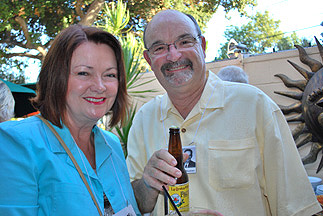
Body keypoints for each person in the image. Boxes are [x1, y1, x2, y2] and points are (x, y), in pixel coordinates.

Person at [125, 9, 322, 216]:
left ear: (202, 46)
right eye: (159, 47)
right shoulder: (144, 119)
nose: (173, 55)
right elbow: (136, 204)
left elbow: (296, 207)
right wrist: (148, 184)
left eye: (184, 42)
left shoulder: (255, 106)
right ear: (148, 59)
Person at [0, 24, 140, 216]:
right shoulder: (16, 142)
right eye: (84, 73)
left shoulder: (112, 145)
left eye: (110, 75)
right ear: (56, 77)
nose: (99, 86)